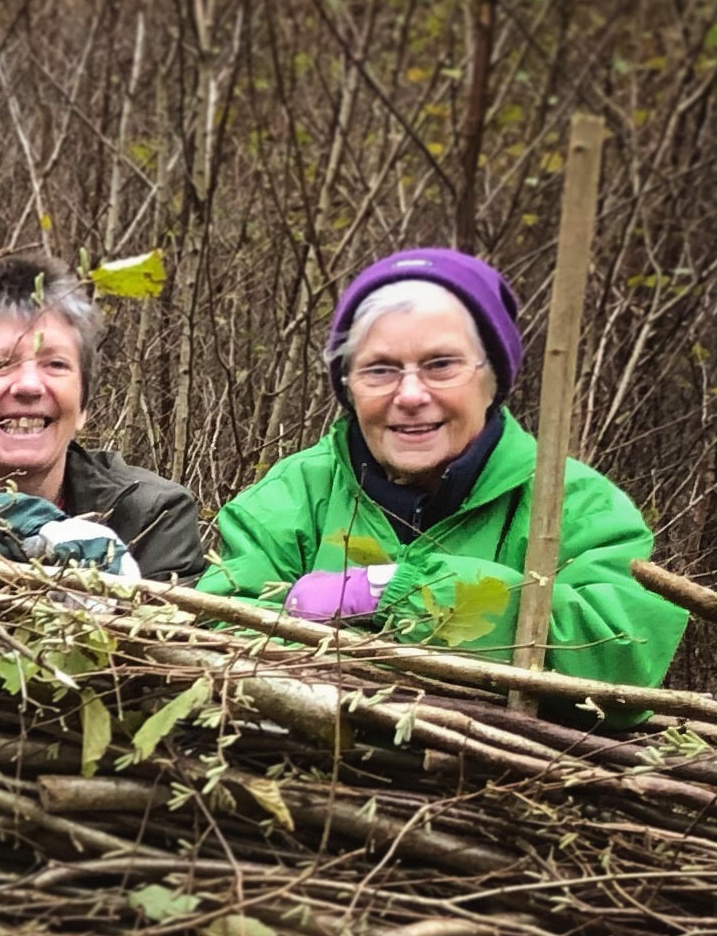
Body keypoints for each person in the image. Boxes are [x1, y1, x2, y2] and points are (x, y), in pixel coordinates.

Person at [201, 246, 686, 687]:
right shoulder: (292, 495)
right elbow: (215, 632)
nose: (411, 396)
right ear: (348, 387)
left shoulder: (578, 505)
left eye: (441, 365)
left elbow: (623, 657)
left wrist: (394, 591)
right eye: (380, 369)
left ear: (492, 379)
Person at [0, 250, 208, 581]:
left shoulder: (151, 518)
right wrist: (35, 527)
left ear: (84, 406)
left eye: (56, 365)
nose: (30, 385)